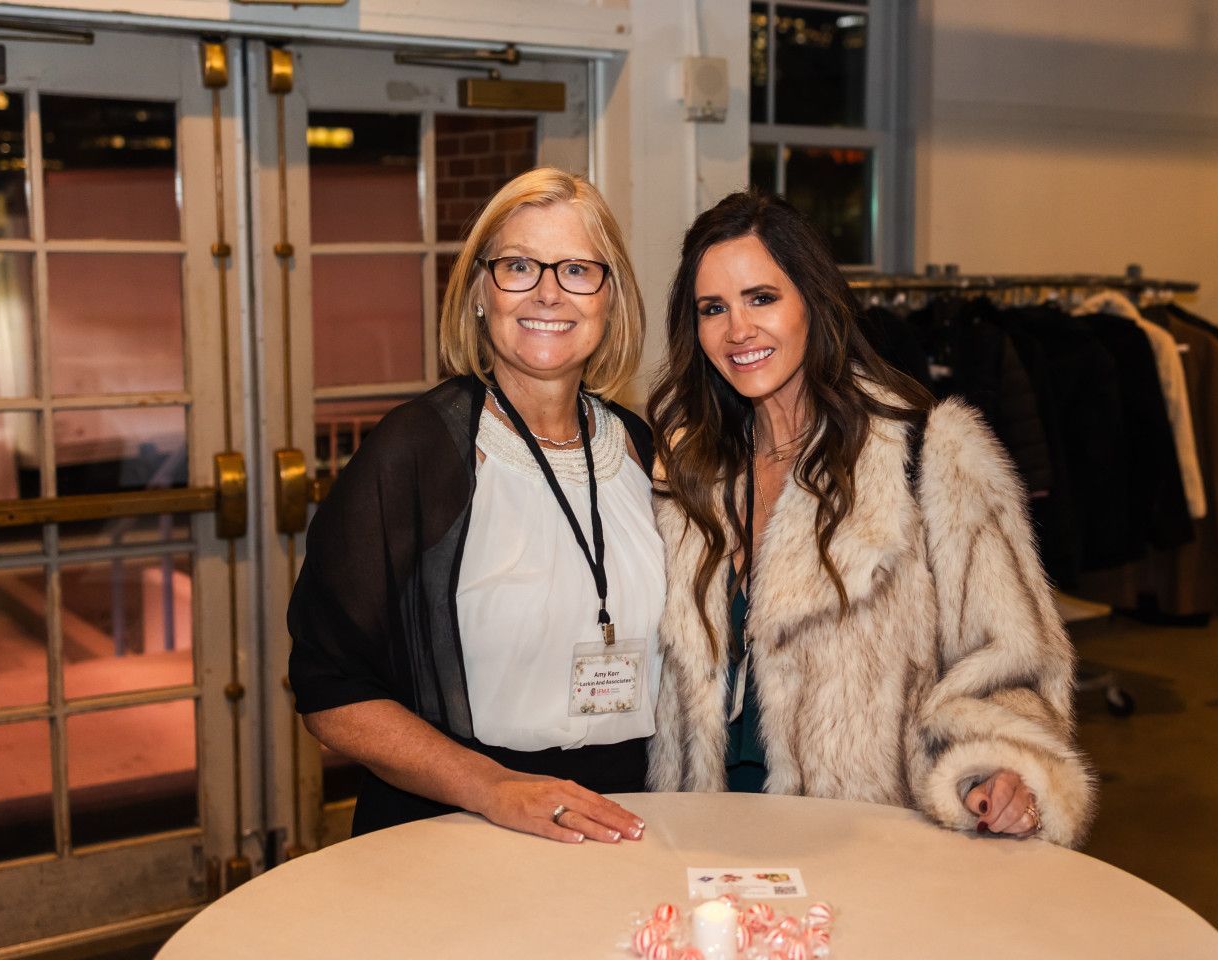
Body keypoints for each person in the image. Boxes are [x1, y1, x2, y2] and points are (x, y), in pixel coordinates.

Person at [646, 191, 1096, 847]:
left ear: (813, 301)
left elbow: (1011, 664)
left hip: (867, 844)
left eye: (761, 298)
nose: (737, 329)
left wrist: (1003, 770)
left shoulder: (926, 456)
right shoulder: (688, 468)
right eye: (713, 308)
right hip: (700, 839)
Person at [288, 168, 660, 844]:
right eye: (519, 265)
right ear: (480, 292)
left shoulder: (638, 446)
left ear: (612, 300)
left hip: (633, 817)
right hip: (460, 823)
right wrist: (492, 788)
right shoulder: (417, 451)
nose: (548, 292)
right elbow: (329, 689)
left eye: (577, 269)